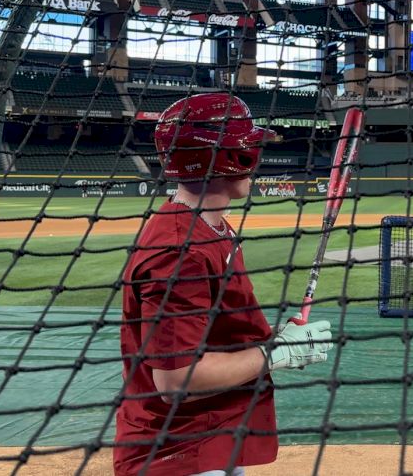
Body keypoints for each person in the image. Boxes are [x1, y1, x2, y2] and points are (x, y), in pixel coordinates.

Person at [116, 93, 334, 476]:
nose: (256, 156)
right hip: (176, 452)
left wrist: (274, 340)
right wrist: (276, 353)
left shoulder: (211, 227)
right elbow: (175, 380)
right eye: (249, 146)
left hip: (208, 432)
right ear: (225, 156)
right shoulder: (182, 249)